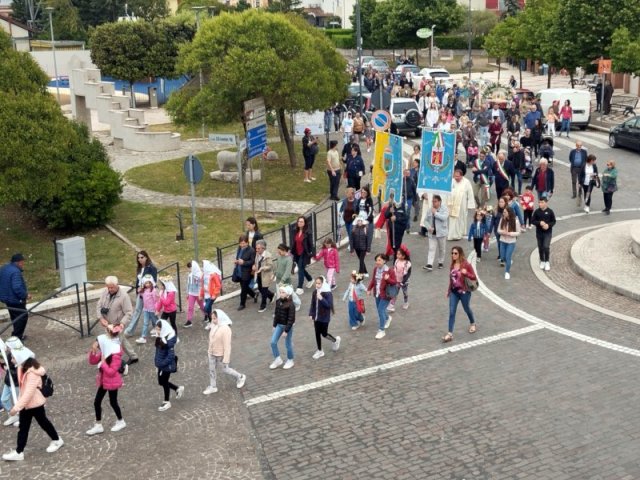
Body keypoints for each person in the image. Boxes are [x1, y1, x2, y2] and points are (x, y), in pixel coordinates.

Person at [2, 347, 63, 461]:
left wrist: (16, 408)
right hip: (27, 405)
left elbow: (28, 394)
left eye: (13, 358)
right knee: (24, 427)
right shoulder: (22, 366)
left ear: (20, 358)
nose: (11, 360)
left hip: (35, 404)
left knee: (43, 423)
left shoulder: (32, 373)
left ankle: (57, 440)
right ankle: (19, 452)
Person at [85, 327, 126, 436]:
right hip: (104, 380)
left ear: (110, 334)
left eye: (106, 331)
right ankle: (98, 425)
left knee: (113, 402)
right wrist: (93, 352)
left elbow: (112, 372)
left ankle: (121, 421)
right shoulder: (107, 347)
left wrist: (103, 362)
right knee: (97, 402)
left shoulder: (116, 352)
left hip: (112, 381)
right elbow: (93, 361)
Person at [97, 276, 138, 368]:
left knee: (113, 343)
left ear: (117, 285)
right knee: (122, 340)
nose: (110, 289)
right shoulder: (105, 292)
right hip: (107, 323)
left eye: (112, 287)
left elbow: (129, 312)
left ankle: (111, 362)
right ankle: (133, 356)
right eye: (108, 287)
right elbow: (98, 306)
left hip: (117, 325)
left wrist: (122, 324)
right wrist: (101, 318)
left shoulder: (124, 296)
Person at [203, 309, 246, 395]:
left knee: (225, 369)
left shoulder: (226, 329)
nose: (213, 320)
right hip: (211, 352)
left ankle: (240, 376)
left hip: (220, 354)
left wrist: (226, 358)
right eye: (212, 318)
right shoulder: (214, 325)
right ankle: (213, 386)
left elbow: (227, 345)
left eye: (215, 318)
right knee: (212, 370)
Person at [442, 246, 477, 343]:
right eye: (452, 253)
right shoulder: (452, 265)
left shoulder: (466, 265)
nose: (453, 255)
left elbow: (474, 277)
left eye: (455, 253)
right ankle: (450, 333)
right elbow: (451, 279)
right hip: (454, 292)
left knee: (466, 309)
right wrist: (449, 290)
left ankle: (472, 323)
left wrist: (466, 273)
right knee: (452, 311)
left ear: (460, 254)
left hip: (464, 292)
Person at [127, 251, 158, 339]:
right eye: (138, 258)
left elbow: (153, 282)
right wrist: (138, 290)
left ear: (146, 257)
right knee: (137, 310)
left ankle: (158, 327)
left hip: (148, 294)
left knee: (152, 312)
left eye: (142, 257)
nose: (140, 259)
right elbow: (138, 281)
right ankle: (130, 331)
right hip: (140, 294)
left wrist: (144, 288)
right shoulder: (140, 268)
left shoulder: (152, 268)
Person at [154, 320, 183, 411]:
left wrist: (161, 364)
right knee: (161, 382)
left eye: (159, 329)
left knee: (164, 382)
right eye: (157, 329)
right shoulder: (160, 336)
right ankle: (177, 388)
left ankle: (166, 402)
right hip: (161, 364)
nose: (157, 331)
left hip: (166, 366)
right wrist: (157, 363)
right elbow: (158, 351)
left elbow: (170, 356)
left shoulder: (169, 341)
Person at [367, 254, 397, 340]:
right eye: (376, 260)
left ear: (384, 261)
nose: (377, 262)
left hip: (386, 294)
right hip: (377, 293)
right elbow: (373, 280)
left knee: (380, 310)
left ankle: (381, 330)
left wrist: (388, 279)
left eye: (379, 260)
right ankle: (387, 318)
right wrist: (369, 289)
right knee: (380, 310)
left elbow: (394, 282)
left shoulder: (390, 271)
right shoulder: (375, 269)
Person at [309, 276, 340, 360]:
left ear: (323, 283)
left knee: (324, 334)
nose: (317, 285)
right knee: (317, 333)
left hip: (324, 317)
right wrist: (311, 314)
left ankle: (335, 340)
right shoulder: (315, 292)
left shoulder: (327, 293)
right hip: (316, 317)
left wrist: (321, 298)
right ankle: (320, 350)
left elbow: (328, 305)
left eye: (319, 283)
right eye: (316, 283)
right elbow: (312, 304)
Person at [0, 254, 30, 341]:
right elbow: (17, 287)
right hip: (15, 299)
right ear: (18, 262)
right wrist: (25, 295)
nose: (23, 264)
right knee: (23, 316)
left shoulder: (4, 268)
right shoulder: (15, 272)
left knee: (15, 317)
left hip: (6, 298)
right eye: (22, 262)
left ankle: (17, 336)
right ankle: (16, 338)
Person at [269, 285, 296, 370]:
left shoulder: (291, 305)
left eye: (283, 292)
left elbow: (291, 319)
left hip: (287, 327)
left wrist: (286, 331)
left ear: (288, 294)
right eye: (280, 292)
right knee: (273, 342)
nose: (281, 294)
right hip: (279, 325)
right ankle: (277, 359)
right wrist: (274, 325)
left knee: (288, 344)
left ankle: (290, 360)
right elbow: (276, 314)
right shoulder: (278, 301)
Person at [447, 169, 476, 241]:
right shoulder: (452, 181)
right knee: (453, 219)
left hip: (462, 204)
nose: (456, 178)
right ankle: (452, 235)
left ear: (461, 176)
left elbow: (470, 193)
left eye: (458, 176)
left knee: (460, 219)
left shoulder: (466, 182)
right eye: (455, 176)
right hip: (452, 204)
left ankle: (459, 233)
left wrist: (470, 205)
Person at [423, 194, 449, 271]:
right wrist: (428, 227)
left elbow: (444, 218)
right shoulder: (430, 210)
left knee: (442, 249)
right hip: (432, 233)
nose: (433, 203)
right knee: (431, 248)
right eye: (432, 201)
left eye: (435, 201)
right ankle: (429, 264)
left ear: (439, 202)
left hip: (441, 232)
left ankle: (440, 261)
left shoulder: (444, 209)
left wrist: (435, 213)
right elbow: (425, 220)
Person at [1, 337, 22, 427]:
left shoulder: (20, 356)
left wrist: (8, 369)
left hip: (16, 383)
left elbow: (19, 371)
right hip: (8, 382)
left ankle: (21, 417)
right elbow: (7, 365)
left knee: (19, 401)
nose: (7, 348)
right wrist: (3, 364)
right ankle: (13, 414)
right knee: (4, 399)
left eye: (8, 346)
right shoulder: (9, 355)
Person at [531, 195, 556, 271]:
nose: (540, 204)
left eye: (542, 202)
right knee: (540, 247)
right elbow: (532, 221)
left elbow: (554, 221)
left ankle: (547, 261)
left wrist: (548, 225)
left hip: (547, 233)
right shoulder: (537, 212)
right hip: (539, 233)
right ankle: (542, 260)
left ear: (546, 203)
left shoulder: (550, 211)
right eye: (539, 202)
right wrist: (539, 223)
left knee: (546, 246)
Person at [292, 216, 314, 296]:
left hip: (304, 253)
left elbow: (311, 244)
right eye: (299, 221)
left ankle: (300, 287)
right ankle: (310, 279)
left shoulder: (308, 232)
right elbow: (294, 242)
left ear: (305, 223)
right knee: (301, 268)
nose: (299, 223)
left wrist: (311, 254)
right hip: (297, 252)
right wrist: (291, 251)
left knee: (300, 269)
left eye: (301, 222)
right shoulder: (295, 230)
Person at [497, 207, 521, 280]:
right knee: (502, 257)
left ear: (509, 213)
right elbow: (498, 230)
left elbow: (518, 232)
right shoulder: (502, 219)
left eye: (505, 212)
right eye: (503, 212)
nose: (503, 214)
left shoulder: (515, 221)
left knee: (508, 256)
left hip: (511, 241)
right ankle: (508, 261)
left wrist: (510, 233)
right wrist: (502, 232)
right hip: (503, 240)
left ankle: (507, 272)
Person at [234, 235, 256, 311]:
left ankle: (242, 304)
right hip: (239, 271)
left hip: (247, 272)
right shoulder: (239, 248)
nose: (242, 245)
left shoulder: (251, 250)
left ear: (247, 243)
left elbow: (252, 261)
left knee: (243, 289)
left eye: (244, 243)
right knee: (245, 287)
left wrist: (243, 262)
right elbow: (238, 257)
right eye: (241, 243)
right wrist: (237, 261)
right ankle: (254, 295)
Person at [134, 274, 158, 345]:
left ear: (151, 283)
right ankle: (143, 337)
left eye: (149, 283)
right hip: (146, 309)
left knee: (156, 322)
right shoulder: (143, 290)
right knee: (145, 323)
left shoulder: (153, 291)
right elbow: (139, 292)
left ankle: (162, 332)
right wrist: (141, 287)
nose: (147, 284)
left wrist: (156, 309)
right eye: (146, 283)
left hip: (152, 310)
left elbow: (155, 300)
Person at [253, 240, 274, 313]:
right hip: (259, 275)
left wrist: (262, 268)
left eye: (258, 248)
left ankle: (263, 305)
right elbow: (256, 262)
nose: (257, 250)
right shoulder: (257, 254)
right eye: (256, 248)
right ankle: (271, 295)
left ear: (263, 248)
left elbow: (270, 266)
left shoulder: (268, 255)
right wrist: (254, 266)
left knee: (264, 290)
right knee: (260, 288)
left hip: (266, 275)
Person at [200, 260, 222, 328]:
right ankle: (211, 322)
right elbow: (202, 285)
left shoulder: (213, 275)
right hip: (206, 295)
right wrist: (201, 294)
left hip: (212, 295)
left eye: (203, 265)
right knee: (208, 309)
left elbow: (218, 285)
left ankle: (216, 319)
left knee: (206, 308)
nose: (202, 267)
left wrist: (214, 294)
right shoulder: (204, 275)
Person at [390, 245, 411, 311]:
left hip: (404, 282)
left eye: (399, 254)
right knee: (395, 293)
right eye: (397, 254)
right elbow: (394, 269)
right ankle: (392, 305)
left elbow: (408, 274)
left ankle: (406, 302)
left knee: (405, 292)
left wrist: (403, 282)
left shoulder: (407, 263)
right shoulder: (396, 261)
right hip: (397, 280)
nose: (397, 255)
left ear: (404, 256)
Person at [184, 261, 204, 328]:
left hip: (198, 294)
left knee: (202, 306)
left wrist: (201, 294)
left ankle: (207, 315)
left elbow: (201, 285)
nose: (190, 269)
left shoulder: (200, 274)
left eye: (190, 267)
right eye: (189, 268)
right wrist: (188, 293)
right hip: (191, 293)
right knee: (190, 307)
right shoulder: (190, 275)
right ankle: (189, 321)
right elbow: (188, 284)